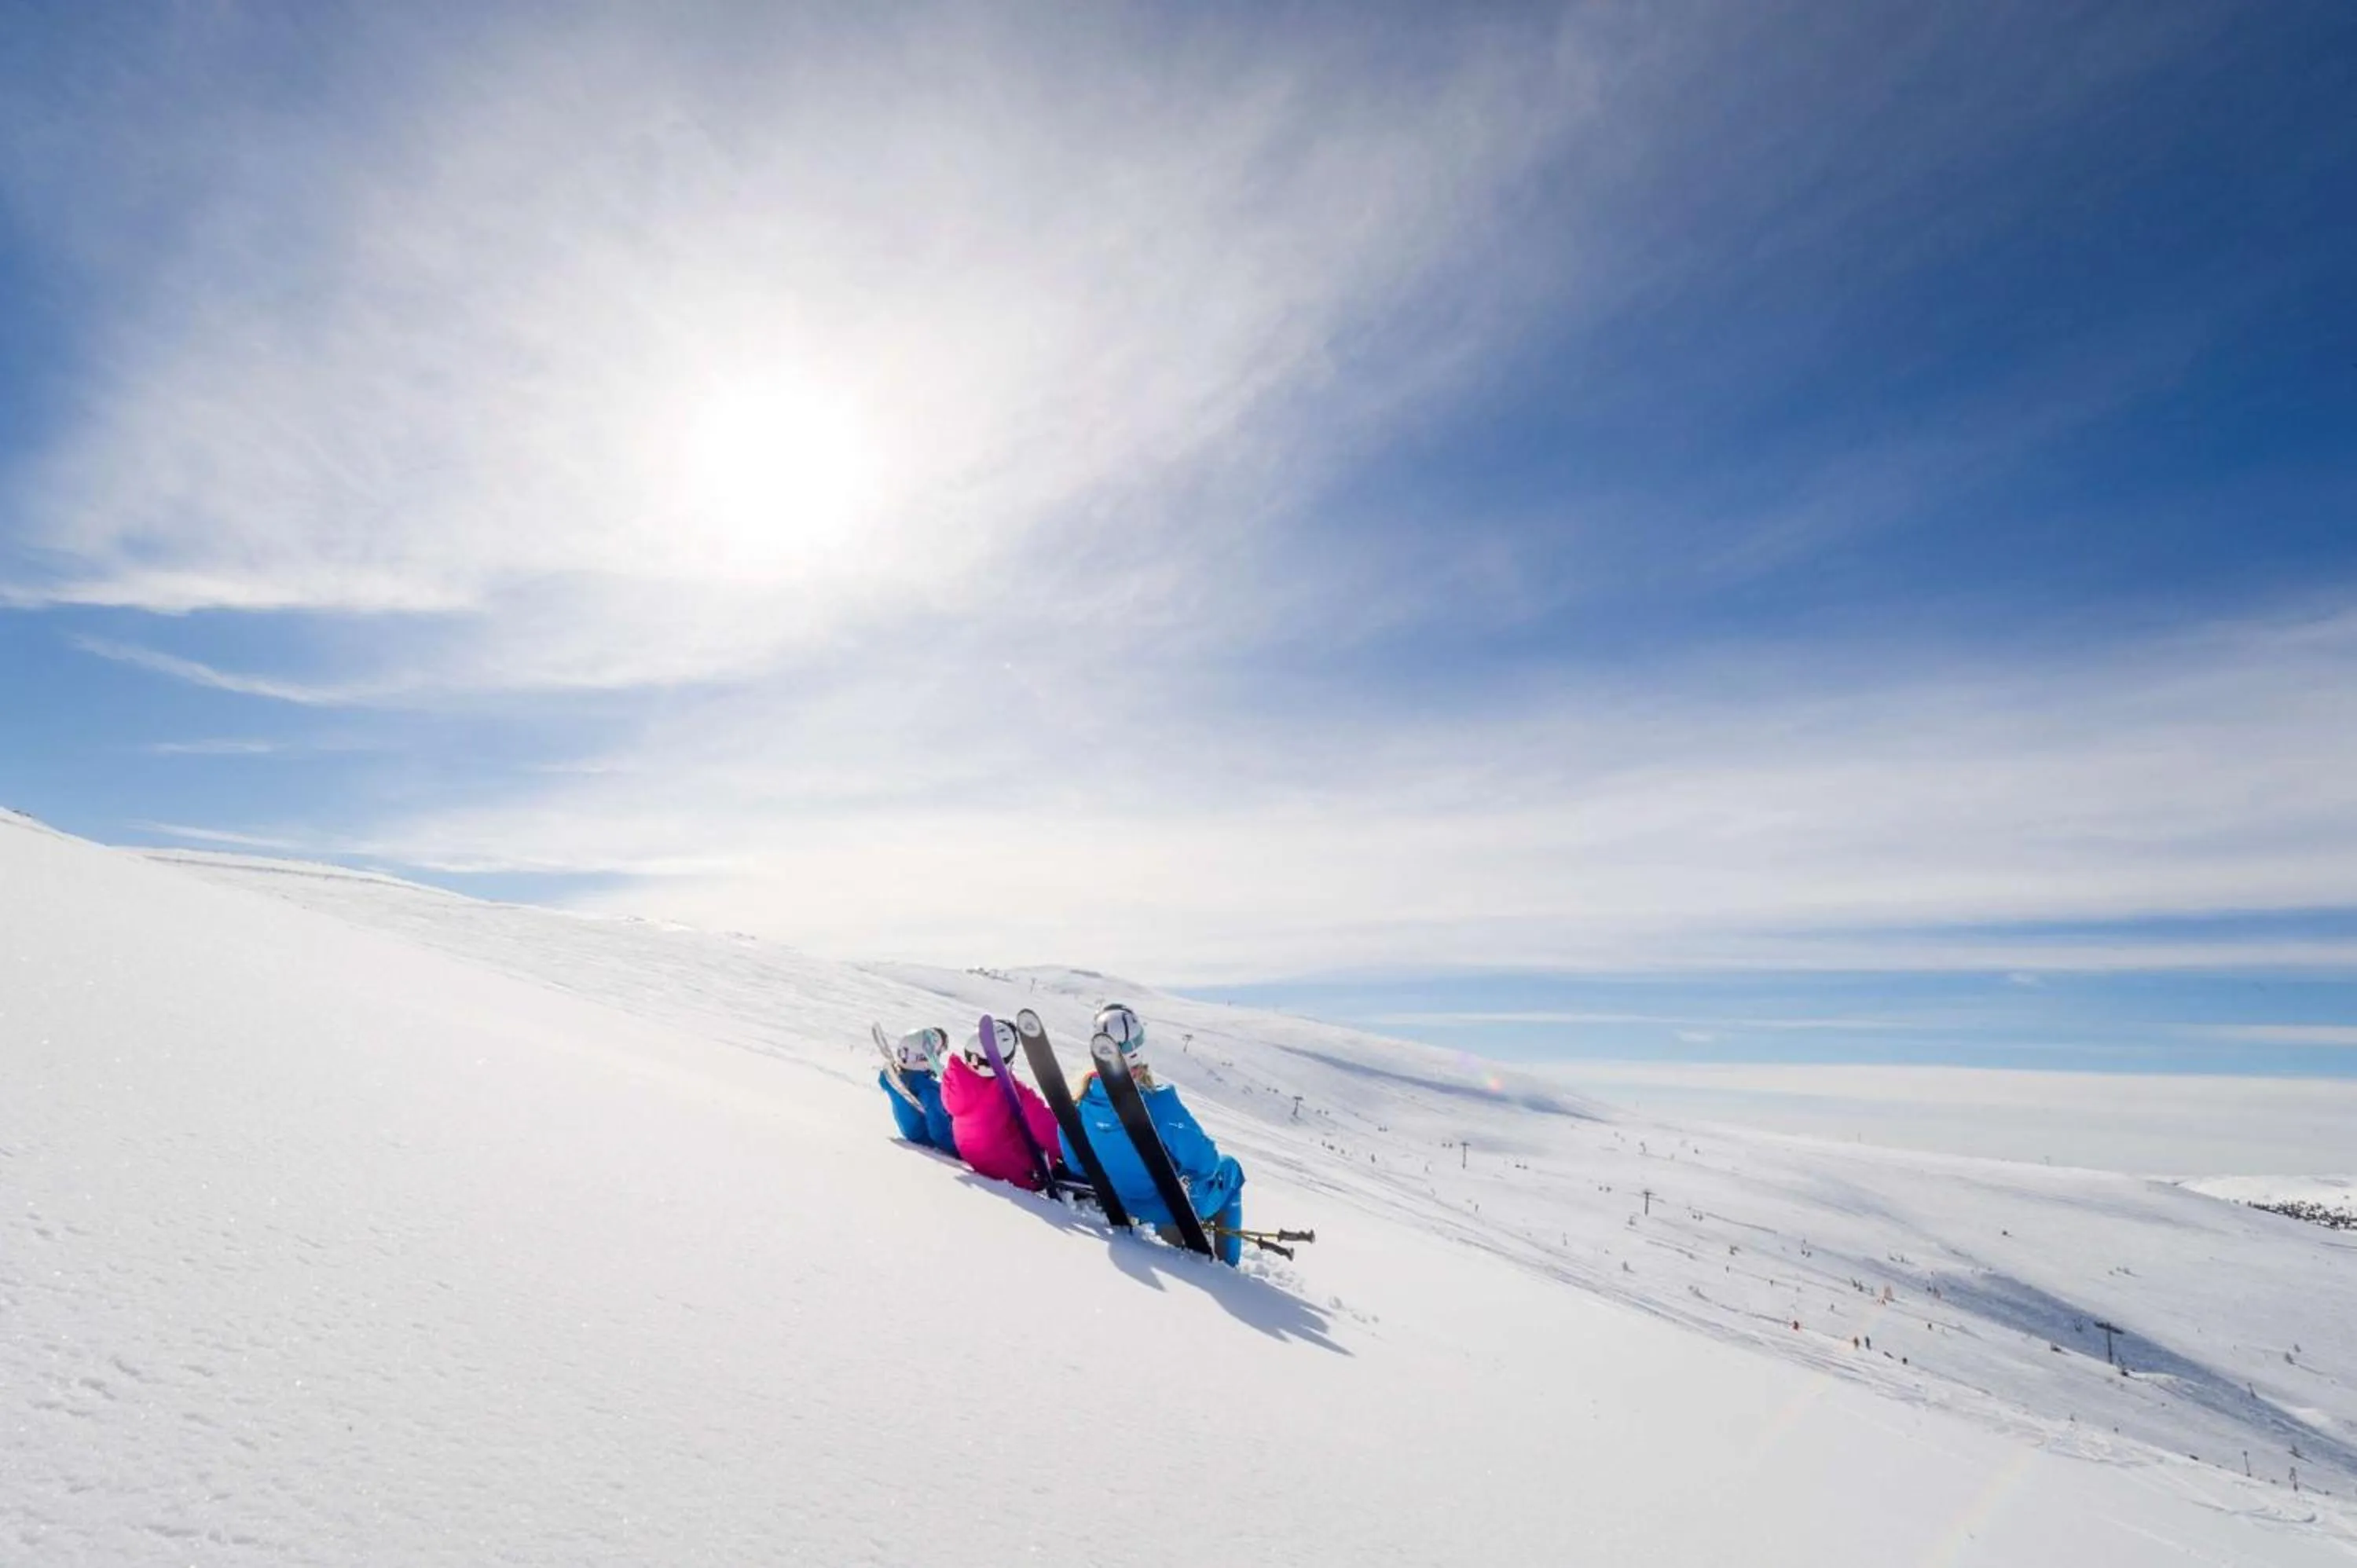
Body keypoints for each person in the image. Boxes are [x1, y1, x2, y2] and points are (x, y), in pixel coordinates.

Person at [1066, 1002, 1247, 1266]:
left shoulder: (1081, 1104)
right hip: (1170, 1210)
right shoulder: (1159, 1104)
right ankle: (1228, 1269)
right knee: (1230, 1169)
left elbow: (1076, 1163)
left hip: (1121, 1199)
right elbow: (1205, 1163)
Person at [940, 1017, 1062, 1191]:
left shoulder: (956, 1079)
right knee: (1055, 1151)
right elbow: (1047, 1128)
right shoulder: (1011, 1092)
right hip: (1013, 1170)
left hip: (974, 1157)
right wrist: (1067, 1147)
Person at [878, 1027, 955, 1150]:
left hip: (911, 1132)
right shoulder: (929, 1090)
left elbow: (884, 1080)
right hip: (927, 1138)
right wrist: (958, 1150)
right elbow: (939, 1132)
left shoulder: (894, 1079)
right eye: (936, 1055)